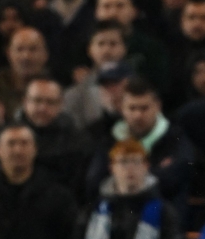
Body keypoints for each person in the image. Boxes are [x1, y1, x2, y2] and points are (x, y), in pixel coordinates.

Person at [68, 138, 181, 239]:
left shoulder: (164, 211)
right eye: (123, 162)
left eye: (135, 161)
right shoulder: (92, 210)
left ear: (146, 166)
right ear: (112, 168)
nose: (130, 168)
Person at [84, 77, 196, 214]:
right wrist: (153, 174)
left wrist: (123, 179)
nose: (138, 115)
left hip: (165, 221)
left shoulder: (175, 137)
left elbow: (176, 177)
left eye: (144, 108)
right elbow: (94, 181)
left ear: (158, 107)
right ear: (122, 109)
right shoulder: (109, 140)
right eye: (132, 108)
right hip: (116, 219)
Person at [19, 77, 92, 202]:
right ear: (25, 102)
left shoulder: (78, 141)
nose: (42, 108)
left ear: (60, 105)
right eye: (37, 101)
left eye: (50, 102)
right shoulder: (6, 138)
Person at [63, 21, 128, 130]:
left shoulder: (138, 87)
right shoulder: (74, 95)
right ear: (89, 49)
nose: (107, 50)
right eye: (101, 44)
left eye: (113, 44)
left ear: (124, 48)